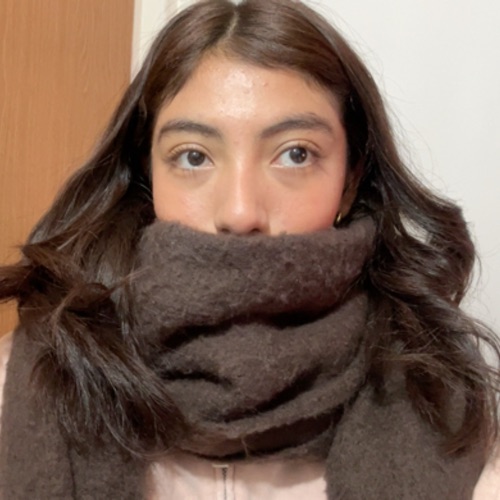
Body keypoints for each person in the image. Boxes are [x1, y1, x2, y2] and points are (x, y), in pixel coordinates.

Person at [0, 0, 499, 498]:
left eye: (295, 154)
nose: (240, 212)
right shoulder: (26, 382)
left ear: (350, 181)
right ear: (148, 176)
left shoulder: (448, 403)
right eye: (193, 157)